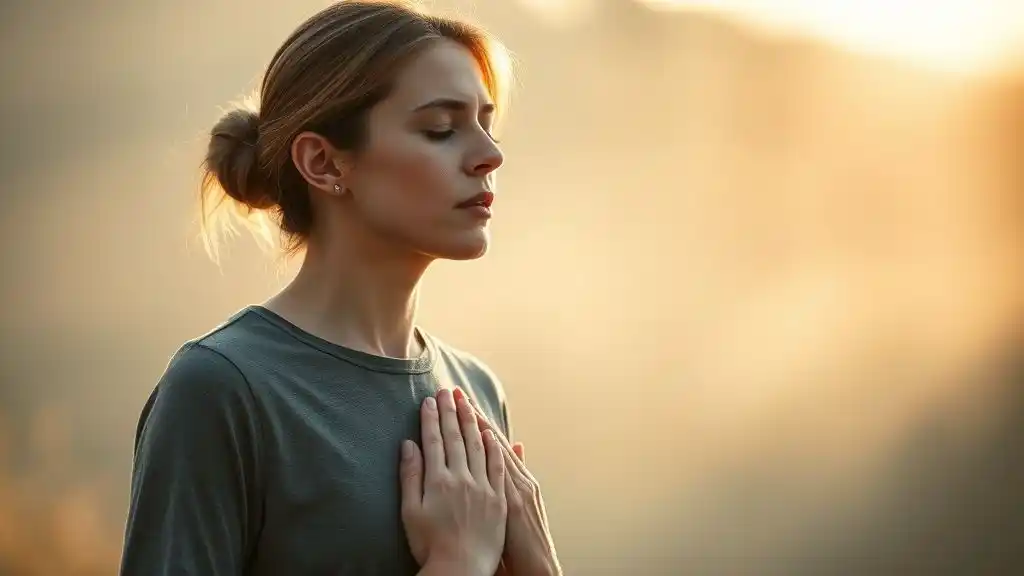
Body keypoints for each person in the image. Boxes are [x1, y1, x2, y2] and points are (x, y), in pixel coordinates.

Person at [118, 2, 560, 575]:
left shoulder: (475, 392)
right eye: (441, 130)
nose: (490, 155)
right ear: (324, 163)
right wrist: (457, 563)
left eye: (486, 124)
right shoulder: (222, 389)